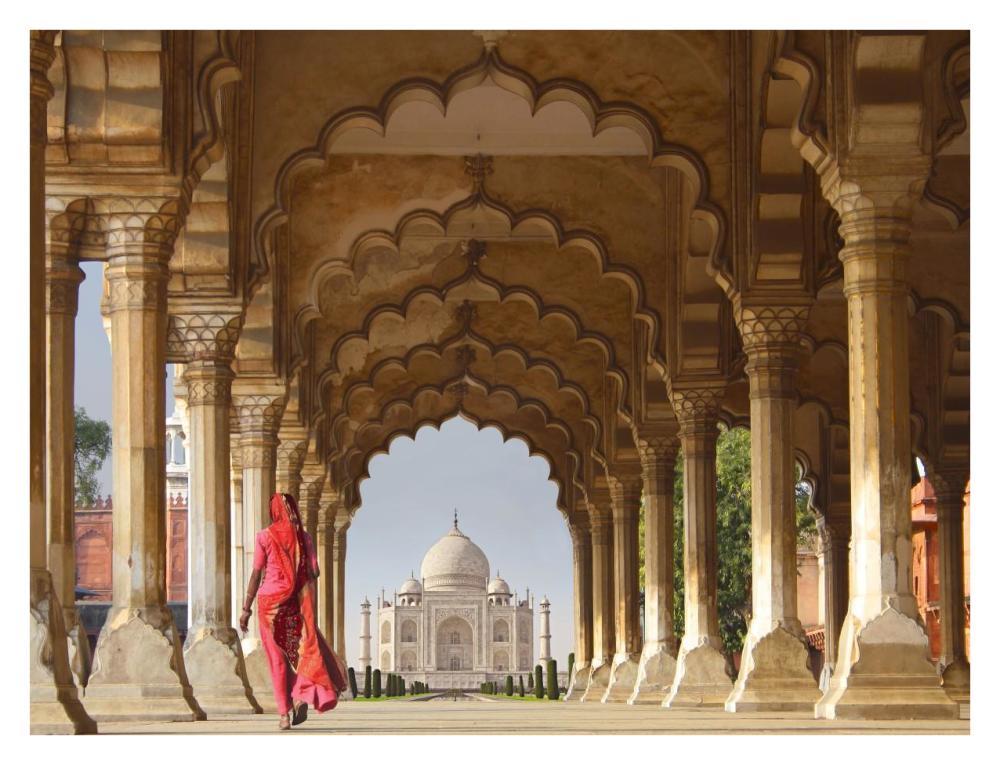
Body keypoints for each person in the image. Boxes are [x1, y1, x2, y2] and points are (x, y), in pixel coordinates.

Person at [240, 492, 349, 730]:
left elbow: (256, 573)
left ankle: (283, 715)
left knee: (277, 660)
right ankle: (299, 695)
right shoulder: (305, 539)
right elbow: (315, 572)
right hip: (295, 606)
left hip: (269, 606)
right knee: (301, 655)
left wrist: (245, 608)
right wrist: (296, 569)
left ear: (274, 511)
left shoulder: (264, 537)